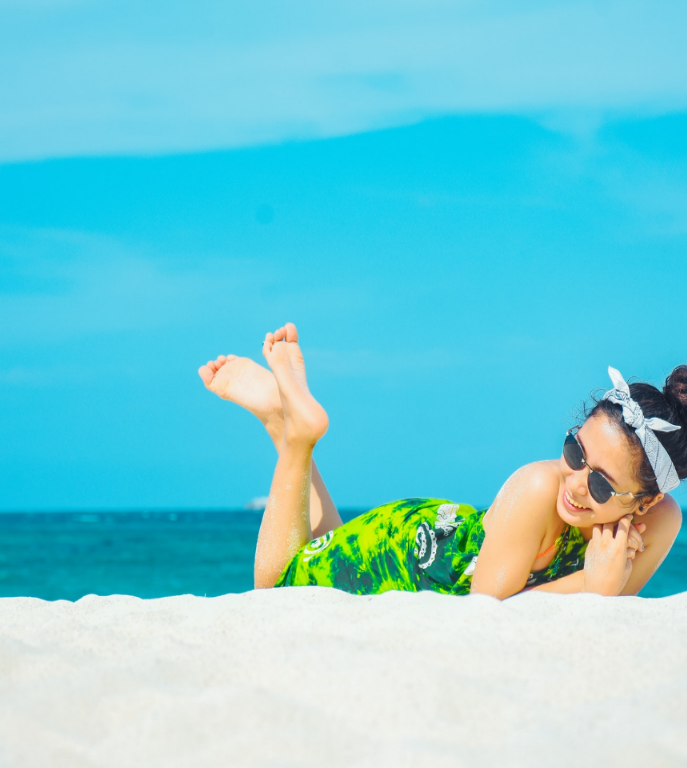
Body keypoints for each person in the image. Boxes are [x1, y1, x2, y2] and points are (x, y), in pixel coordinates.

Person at [198, 323, 685, 599]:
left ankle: (280, 417)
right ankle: (296, 438)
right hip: (408, 551)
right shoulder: (538, 486)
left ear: (645, 502)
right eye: (575, 452)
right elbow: (484, 616)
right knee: (275, 588)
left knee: (324, 548)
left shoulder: (662, 520)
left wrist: (600, 590)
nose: (575, 483)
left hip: (432, 545)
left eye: (601, 484)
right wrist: (593, 589)